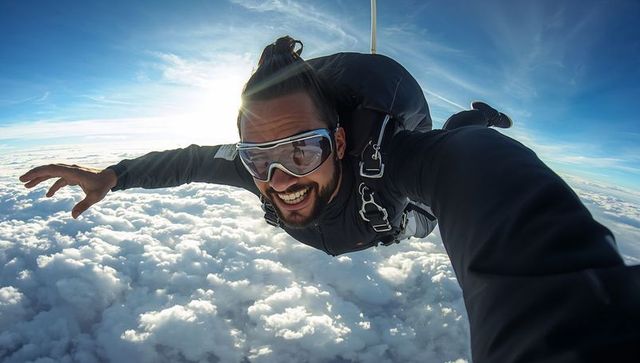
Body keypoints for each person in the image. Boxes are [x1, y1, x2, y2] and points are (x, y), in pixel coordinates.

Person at [19, 36, 640, 362]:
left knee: (440, 179)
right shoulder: (259, 170)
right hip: (366, 211)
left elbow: (478, 177)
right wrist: (115, 176)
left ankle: (471, 118)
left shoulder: (392, 162)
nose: (280, 180)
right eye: (260, 159)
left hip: (400, 208)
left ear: (340, 141)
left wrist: (570, 324)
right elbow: (188, 161)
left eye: (302, 150)